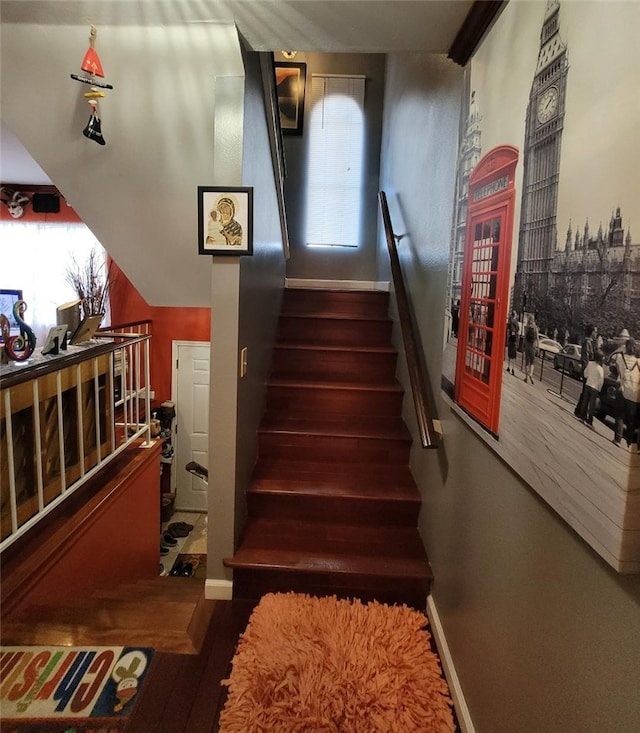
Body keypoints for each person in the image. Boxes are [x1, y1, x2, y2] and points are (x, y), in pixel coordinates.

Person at [612, 338, 640, 451]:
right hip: (634, 393)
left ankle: (618, 439)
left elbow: (611, 356)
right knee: (631, 420)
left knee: (620, 415)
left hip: (623, 390)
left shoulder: (620, 357)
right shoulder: (639, 362)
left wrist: (621, 348)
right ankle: (629, 442)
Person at [574, 324, 596, 421]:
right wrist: (588, 369)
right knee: (586, 392)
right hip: (587, 370)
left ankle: (579, 410)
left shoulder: (589, 342)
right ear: (591, 332)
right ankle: (580, 411)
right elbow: (586, 358)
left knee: (585, 391)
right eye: (595, 331)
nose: (596, 333)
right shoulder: (587, 343)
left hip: (587, 369)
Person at [582, 351, 605, 429]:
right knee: (592, 405)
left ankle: (582, 415)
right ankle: (590, 420)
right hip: (594, 388)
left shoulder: (590, 363)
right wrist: (599, 389)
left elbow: (585, 374)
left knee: (585, 401)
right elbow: (601, 380)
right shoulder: (600, 368)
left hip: (588, 384)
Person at [522, 314, 537, 384]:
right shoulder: (535, 327)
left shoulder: (526, 327)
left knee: (527, 362)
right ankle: (531, 374)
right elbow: (537, 338)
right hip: (533, 346)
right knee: (532, 361)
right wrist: (537, 347)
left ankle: (526, 377)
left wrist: (523, 345)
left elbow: (525, 337)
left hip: (527, 346)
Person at [506, 310, 519, 375]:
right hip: (514, 340)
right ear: (515, 315)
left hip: (510, 339)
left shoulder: (510, 322)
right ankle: (513, 368)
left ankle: (508, 367)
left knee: (509, 354)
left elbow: (508, 331)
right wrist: (517, 342)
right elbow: (517, 332)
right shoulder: (516, 323)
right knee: (514, 355)